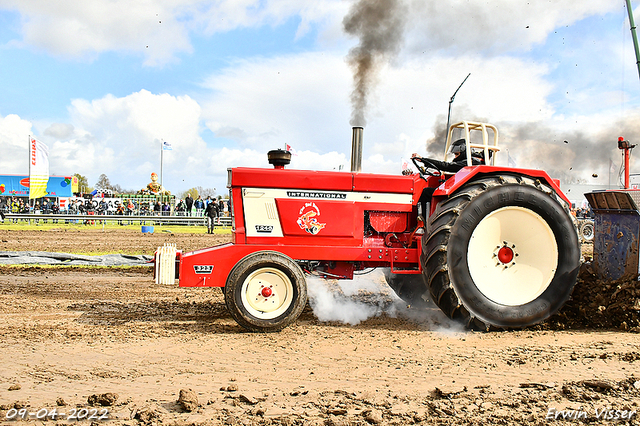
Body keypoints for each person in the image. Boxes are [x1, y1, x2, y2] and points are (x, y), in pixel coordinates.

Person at [412, 139, 485, 174]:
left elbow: (447, 166)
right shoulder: (472, 161)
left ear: (464, 153)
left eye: (457, 154)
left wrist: (422, 159)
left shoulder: (471, 162)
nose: (455, 157)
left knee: (427, 192)